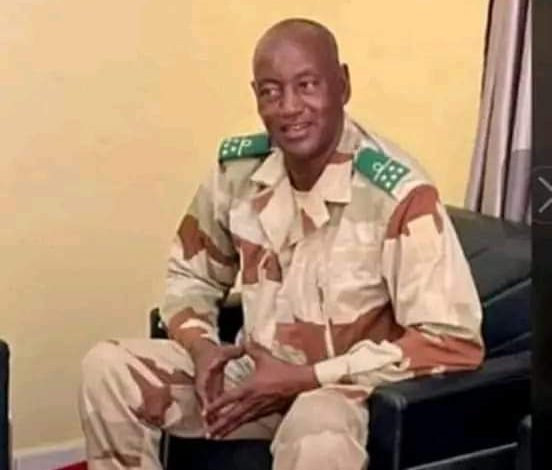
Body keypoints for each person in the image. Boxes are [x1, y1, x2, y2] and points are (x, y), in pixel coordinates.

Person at [79, 18, 484, 470]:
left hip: (340, 390)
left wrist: (307, 377)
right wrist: (201, 347)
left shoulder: (397, 195)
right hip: (252, 378)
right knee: (108, 368)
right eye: (271, 92)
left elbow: (451, 341)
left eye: (307, 85)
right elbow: (191, 275)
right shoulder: (238, 172)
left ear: (343, 85)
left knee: (319, 436)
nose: (289, 107)